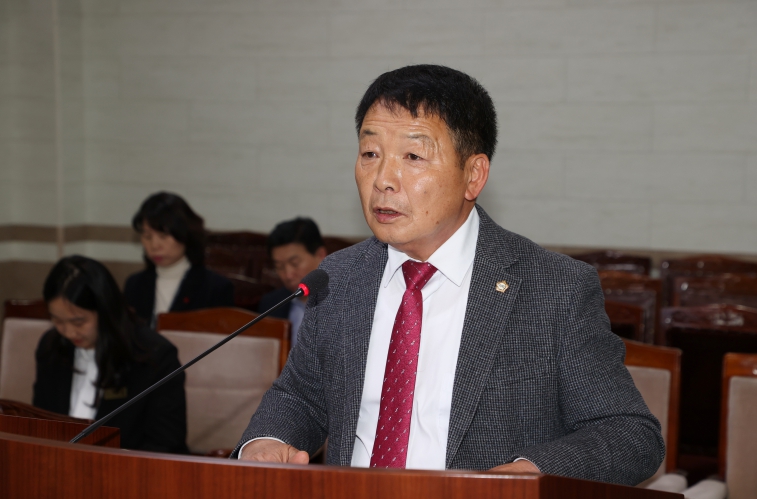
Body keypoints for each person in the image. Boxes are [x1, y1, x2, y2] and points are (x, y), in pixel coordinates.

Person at [233, 65, 664, 485]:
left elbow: (630, 435)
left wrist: (529, 474)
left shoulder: (553, 289)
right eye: (370, 154)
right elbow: (300, 397)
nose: (383, 180)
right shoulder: (341, 277)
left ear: (473, 176)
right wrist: (266, 441)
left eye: (413, 157)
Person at [33, 255, 188, 453]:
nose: (69, 332)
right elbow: (39, 424)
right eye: (57, 321)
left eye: (79, 322)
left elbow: (165, 444)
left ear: (106, 311)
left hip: (127, 468)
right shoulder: (52, 346)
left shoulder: (154, 356)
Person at [124, 192, 234, 326]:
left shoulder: (216, 288)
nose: (154, 245)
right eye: (147, 237)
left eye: (163, 236)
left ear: (184, 235)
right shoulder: (134, 284)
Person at [258, 217, 327, 346]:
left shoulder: (347, 299)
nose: (288, 275)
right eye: (279, 267)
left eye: (295, 263)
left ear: (320, 255)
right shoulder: (271, 305)